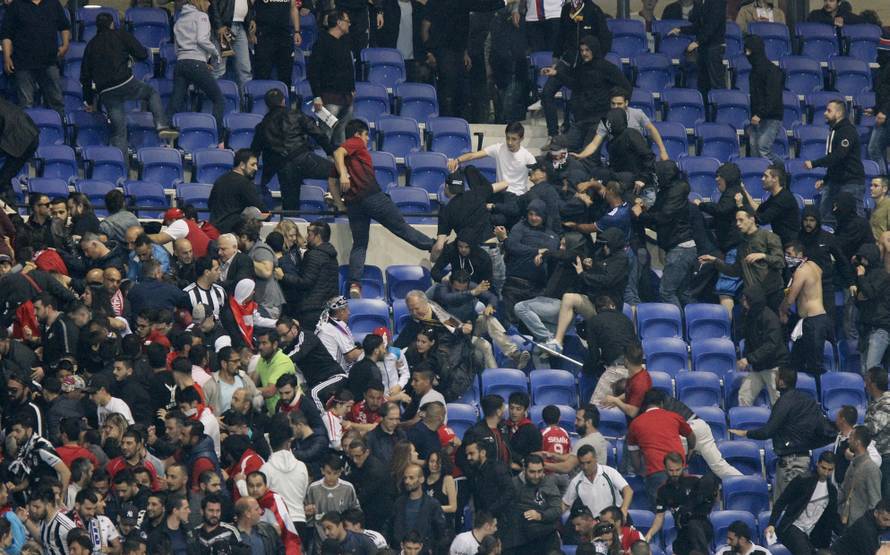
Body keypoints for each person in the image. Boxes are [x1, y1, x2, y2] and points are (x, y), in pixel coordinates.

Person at [331, 119, 435, 297]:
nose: (366, 141)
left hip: (353, 204)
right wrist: (344, 175)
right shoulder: (354, 143)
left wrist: (340, 204)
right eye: (366, 136)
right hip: (372, 196)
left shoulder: (343, 160)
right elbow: (338, 151)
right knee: (401, 227)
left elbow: (331, 181)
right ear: (358, 134)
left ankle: (355, 284)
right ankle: (433, 246)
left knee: (359, 245)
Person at [80, 13, 177, 157]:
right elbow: (142, 53)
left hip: (106, 92)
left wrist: (89, 101)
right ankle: (161, 125)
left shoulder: (90, 45)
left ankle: (123, 172)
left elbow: (85, 77)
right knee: (151, 93)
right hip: (125, 82)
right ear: (112, 24)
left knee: (119, 133)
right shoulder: (120, 34)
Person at [729, 368, 834, 498]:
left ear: (782, 382)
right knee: (793, 506)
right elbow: (824, 430)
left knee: (787, 506)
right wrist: (808, 444)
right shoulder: (808, 401)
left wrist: (746, 433)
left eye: (777, 377)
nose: (775, 380)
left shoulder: (784, 402)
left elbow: (768, 431)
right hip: (804, 460)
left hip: (790, 464)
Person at [540, 37, 631, 153]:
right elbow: (575, 84)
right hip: (581, 120)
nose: (584, 53)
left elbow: (626, 86)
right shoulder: (581, 68)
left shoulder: (607, 67)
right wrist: (556, 73)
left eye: (587, 50)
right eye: (582, 50)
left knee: (587, 152)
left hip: (599, 120)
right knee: (558, 144)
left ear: (594, 50)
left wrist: (620, 110)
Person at [251, 89, 334, 212]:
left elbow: (254, 152)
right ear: (283, 101)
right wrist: (330, 153)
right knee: (338, 172)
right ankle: (337, 201)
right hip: (304, 159)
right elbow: (319, 134)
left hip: (284, 167)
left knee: (291, 209)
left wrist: (260, 178)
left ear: (267, 105)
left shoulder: (262, 126)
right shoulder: (296, 114)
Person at [541, 0, 611, 143]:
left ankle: (567, 132)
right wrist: (555, 61)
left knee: (576, 100)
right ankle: (553, 133)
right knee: (546, 93)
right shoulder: (566, 9)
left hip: (584, 66)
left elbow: (605, 38)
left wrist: (596, 60)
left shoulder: (594, 10)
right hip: (566, 62)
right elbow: (560, 36)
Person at [633, 161, 696, 307]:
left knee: (666, 292)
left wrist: (640, 215)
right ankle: (692, 325)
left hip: (680, 248)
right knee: (682, 292)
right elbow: (655, 215)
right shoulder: (666, 192)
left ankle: (679, 327)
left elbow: (663, 216)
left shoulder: (675, 192)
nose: (655, 177)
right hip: (680, 248)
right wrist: (643, 210)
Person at [168, 0, 225, 145]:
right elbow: (202, 40)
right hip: (196, 63)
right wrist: (215, 53)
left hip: (181, 63)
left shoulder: (180, 20)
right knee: (218, 99)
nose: (210, 4)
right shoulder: (201, 17)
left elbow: (176, 48)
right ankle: (218, 140)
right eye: (207, 1)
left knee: (175, 103)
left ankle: (166, 140)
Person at [0, 0, 70, 115]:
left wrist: (66, 45)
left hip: (49, 61)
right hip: (23, 63)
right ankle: (28, 132)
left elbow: (64, 26)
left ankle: (61, 129)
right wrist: (7, 57)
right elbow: (6, 35)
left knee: (56, 102)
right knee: (26, 104)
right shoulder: (16, 5)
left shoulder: (53, 4)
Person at [627, 390, 696, 503]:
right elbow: (691, 436)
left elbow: (635, 458)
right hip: (678, 470)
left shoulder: (635, 423)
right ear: (662, 403)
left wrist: (640, 472)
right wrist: (690, 451)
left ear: (644, 405)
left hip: (655, 471)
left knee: (660, 512)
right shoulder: (674, 416)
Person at [805, 100, 866, 226]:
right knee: (823, 218)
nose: (824, 114)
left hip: (851, 183)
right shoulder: (835, 131)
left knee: (855, 221)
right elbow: (835, 161)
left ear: (838, 113)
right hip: (834, 183)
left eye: (829, 110)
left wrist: (814, 163)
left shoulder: (847, 131)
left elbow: (839, 156)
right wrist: (826, 179)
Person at [644, 452, 717, 554]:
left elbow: (710, 500)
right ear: (665, 469)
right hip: (683, 531)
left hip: (701, 527)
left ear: (683, 467)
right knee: (677, 547)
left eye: (678, 470)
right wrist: (650, 534)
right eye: (671, 470)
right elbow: (660, 516)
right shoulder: (663, 491)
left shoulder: (694, 481)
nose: (675, 474)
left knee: (694, 525)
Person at [574, 88, 670, 164]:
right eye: (613, 104)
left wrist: (663, 150)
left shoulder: (637, 114)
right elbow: (595, 143)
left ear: (626, 103)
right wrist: (582, 155)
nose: (616, 107)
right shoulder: (606, 120)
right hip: (618, 158)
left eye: (619, 104)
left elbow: (652, 130)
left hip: (638, 155)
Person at [780, 241, 832, 376]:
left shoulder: (801, 272)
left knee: (814, 365)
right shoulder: (814, 265)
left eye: (789, 254)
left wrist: (782, 312)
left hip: (813, 321)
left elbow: (791, 298)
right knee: (796, 360)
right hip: (811, 320)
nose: (787, 257)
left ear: (800, 254)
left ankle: (818, 393)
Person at [307, 10, 356, 147]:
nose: (349, 24)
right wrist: (316, 95)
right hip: (329, 98)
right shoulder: (322, 43)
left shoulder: (345, 42)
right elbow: (313, 71)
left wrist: (352, 88)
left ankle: (338, 166)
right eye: (347, 21)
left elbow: (349, 67)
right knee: (326, 135)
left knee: (341, 135)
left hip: (346, 97)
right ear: (339, 23)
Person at [449, 122, 536, 197]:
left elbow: (537, 176)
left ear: (521, 139)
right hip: (499, 192)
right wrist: (457, 160)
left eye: (514, 139)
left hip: (517, 196)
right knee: (470, 170)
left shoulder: (528, 157)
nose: (510, 142)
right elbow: (473, 155)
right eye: (507, 138)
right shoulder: (499, 148)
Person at [463, 437, 518, 552]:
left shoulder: (497, 468)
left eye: (472, 453)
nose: (468, 457)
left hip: (503, 522)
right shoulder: (474, 471)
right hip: (485, 523)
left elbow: (510, 492)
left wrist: (491, 511)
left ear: (483, 453)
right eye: (467, 454)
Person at [737, 285, 788, 406]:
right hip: (758, 366)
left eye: (746, 299)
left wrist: (749, 359)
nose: (743, 302)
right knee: (744, 395)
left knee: (777, 401)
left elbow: (771, 345)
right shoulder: (748, 316)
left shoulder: (769, 318)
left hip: (773, 366)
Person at [668, 0, 726, 97]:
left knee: (716, 84)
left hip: (714, 48)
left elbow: (712, 26)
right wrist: (681, 30)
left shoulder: (717, 2)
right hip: (704, 49)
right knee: (703, 86)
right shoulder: (701, 3)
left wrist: (697, 42)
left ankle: (720, 110)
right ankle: (706, 111)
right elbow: (699, 25)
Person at [743, 35, 784, 166]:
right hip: (757, 118)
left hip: (770, 118)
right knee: (755, 154)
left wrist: (760, 114)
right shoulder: (754, 72)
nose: (746, 54)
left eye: (748, 50)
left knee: (762, 149)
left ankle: (783, 169)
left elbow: (773, 97)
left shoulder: (771, 70)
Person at [561, 444, 632, 518]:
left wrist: (623, 509)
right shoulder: (576, 482)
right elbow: (565, 503)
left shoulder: (610, 472)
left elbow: (628, 490)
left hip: (614, 519)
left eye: (588, 462)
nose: (585, 467)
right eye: (582, 463)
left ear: (596, 459)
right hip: (594, 524)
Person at [739, 164, 800, 248]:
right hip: (781, 241)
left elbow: (762, 219)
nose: (762, 179)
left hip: (789, 245)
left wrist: (741, 206)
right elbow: (759, 209)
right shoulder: (775, 196)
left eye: (766, 176)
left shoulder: (783, 198)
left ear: (775, 179)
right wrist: (744, 192)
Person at [391, 463, 448, 551]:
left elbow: (440, 531)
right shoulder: (399, 502)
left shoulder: (432, 504)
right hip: (400, 550)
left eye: (411, 478)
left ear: (421, 479)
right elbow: (390, 525)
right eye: (405, 478)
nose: (407, 481)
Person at [512, 454, 561, 554]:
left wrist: (540, 515)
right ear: (524, 470)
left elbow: (557, 509)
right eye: (532, 472)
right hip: (521, 535)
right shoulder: (514, 484)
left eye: (540, 471)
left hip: (546, 532)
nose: (537, 476)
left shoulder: (549, 484)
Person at [853, 243, 890, 371]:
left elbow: (870, 293)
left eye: (864, 258)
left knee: (871, 368)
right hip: (866, 327)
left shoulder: (883, 275)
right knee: (864, 370)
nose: (862, 262)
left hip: (880, 328)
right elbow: (859, 299)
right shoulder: (865, 276)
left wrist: (861, 277)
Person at [541, 404, 609, 473]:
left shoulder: (584, 442)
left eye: (578, 420)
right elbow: (574, 456)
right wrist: (553, 456)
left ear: (589, 422)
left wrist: (541, 465)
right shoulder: (599, 437)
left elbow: (566, 467)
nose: (575, 423)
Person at [208, 150, 262, 235]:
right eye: (252, 164)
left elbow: (210, 204)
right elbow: (261, 209)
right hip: (232, 233)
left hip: (213, 231)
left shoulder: (220, 179)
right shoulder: (245, 184)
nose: (256, 168)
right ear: (242, 165)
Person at [838, 425, 882, 526]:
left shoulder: (871, 469)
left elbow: (875, 502)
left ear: (857, 443)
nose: (848, 441)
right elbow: (844, 491)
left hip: (860, 527)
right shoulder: (852, 465)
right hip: (846, 522)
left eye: (851, 437)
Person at [0, 98, 39, 207]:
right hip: (30, 134)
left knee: (3, 180)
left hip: (19, 138)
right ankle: (10, 208)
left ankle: (9, 211)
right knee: (4, 178)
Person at [19, 486, 75, 555]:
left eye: (37, 507)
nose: (34, 510)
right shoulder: (44, 519)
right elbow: (44, 540)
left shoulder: (63, 526)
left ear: (48, 504)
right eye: (33, 506)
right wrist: (25, 520)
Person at [864, 366, 890, 498]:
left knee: (885, 500)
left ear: (872, 384)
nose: (865, 385)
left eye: (866, 380)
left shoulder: (887, 403)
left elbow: (873, 428)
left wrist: (854, 430)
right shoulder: (876, 402)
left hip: (886, 458)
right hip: (878, 457)